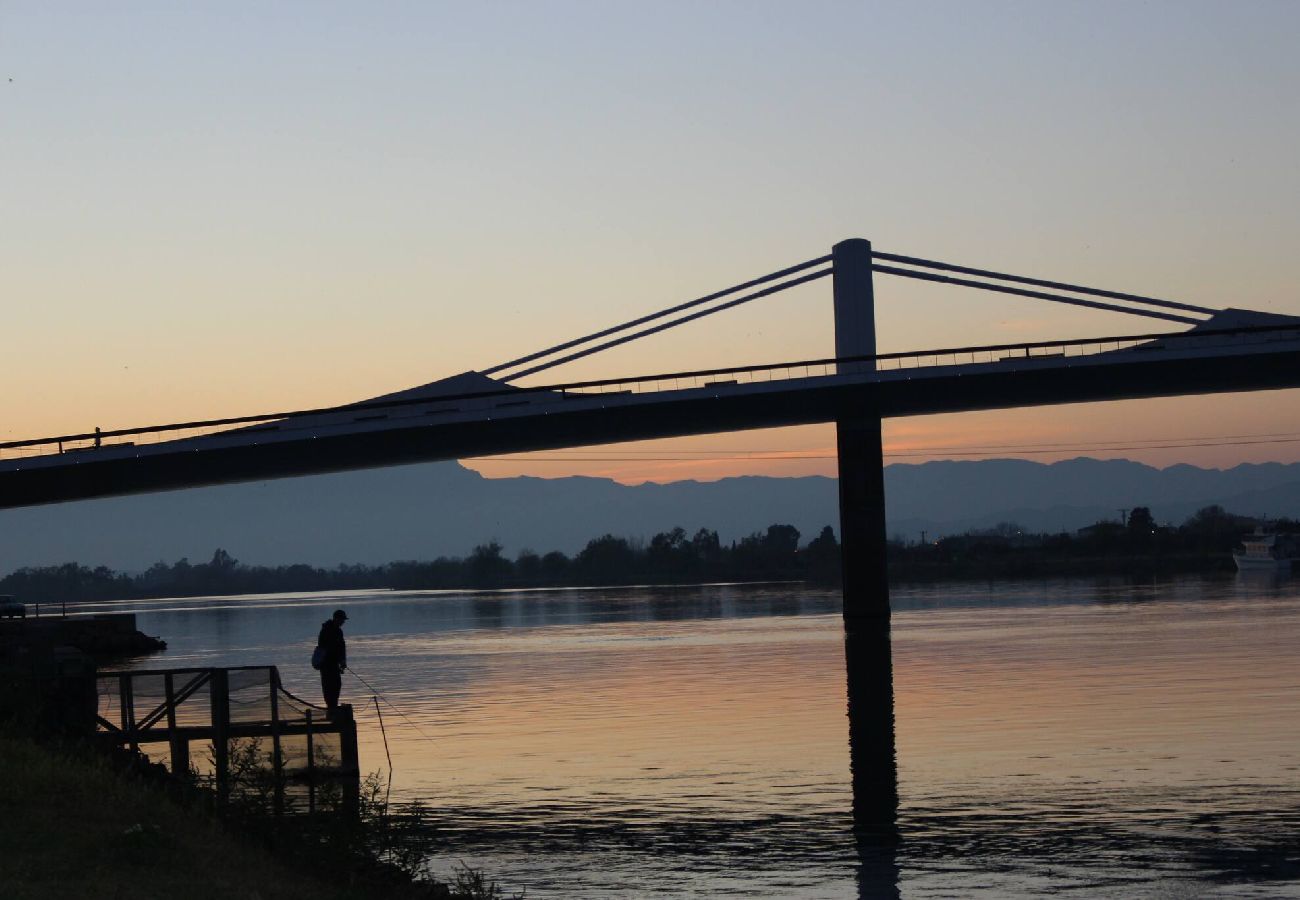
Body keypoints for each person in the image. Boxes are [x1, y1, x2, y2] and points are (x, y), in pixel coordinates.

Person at [316, 608, 348, 710]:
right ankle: (331, 708)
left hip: (334, 664)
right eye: (342, 619)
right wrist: (337, 658)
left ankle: (333, 707)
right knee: (328, 686)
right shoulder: (326, 630)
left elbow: (342, 647)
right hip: (326, 665)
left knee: (337, 685)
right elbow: (324, 647)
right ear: (336, 619)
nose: (343, 622)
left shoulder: (339, 631)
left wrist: (343, 661)